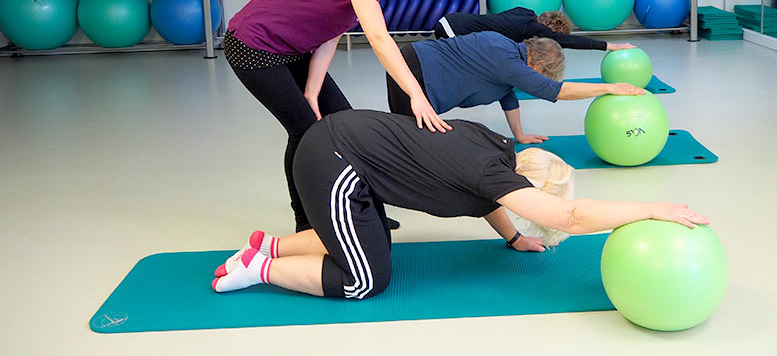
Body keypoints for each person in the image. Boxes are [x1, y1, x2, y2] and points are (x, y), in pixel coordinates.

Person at [211, 110, 710, 299]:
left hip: (342, 143)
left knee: (372, 237)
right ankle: (261, 268)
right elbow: (572, 218)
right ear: (523, 187)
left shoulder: (494, 147)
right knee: (365, 280)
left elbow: (487, 196)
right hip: (335, 162)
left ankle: (271, 246)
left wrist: (513, 237)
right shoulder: (494, 174)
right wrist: (652, 207)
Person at [224, 0, 451, 232]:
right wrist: (415, 94)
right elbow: (377, 38)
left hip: (291, 48)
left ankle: (367, 211)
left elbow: (332, 33)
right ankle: (305, 224)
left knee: (346, 122)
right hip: (253, 44)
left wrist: (313, 91)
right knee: (304, 129)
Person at [386, 31, 646, 144]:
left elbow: (508, 97)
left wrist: (519, 135)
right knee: (408, 143)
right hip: (414, 72)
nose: (543, 78)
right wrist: (610, 88)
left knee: (413, 140)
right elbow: (556, 91)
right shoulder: (509, 62)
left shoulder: (506, 50)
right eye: (546, 73)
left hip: (413, 62)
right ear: (539, 62)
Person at [435, 7, 636, 51]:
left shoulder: (524, 12)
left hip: (450, 20)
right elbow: (569, 41)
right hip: (455, 31)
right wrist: (610, 45)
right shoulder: (531, 27)